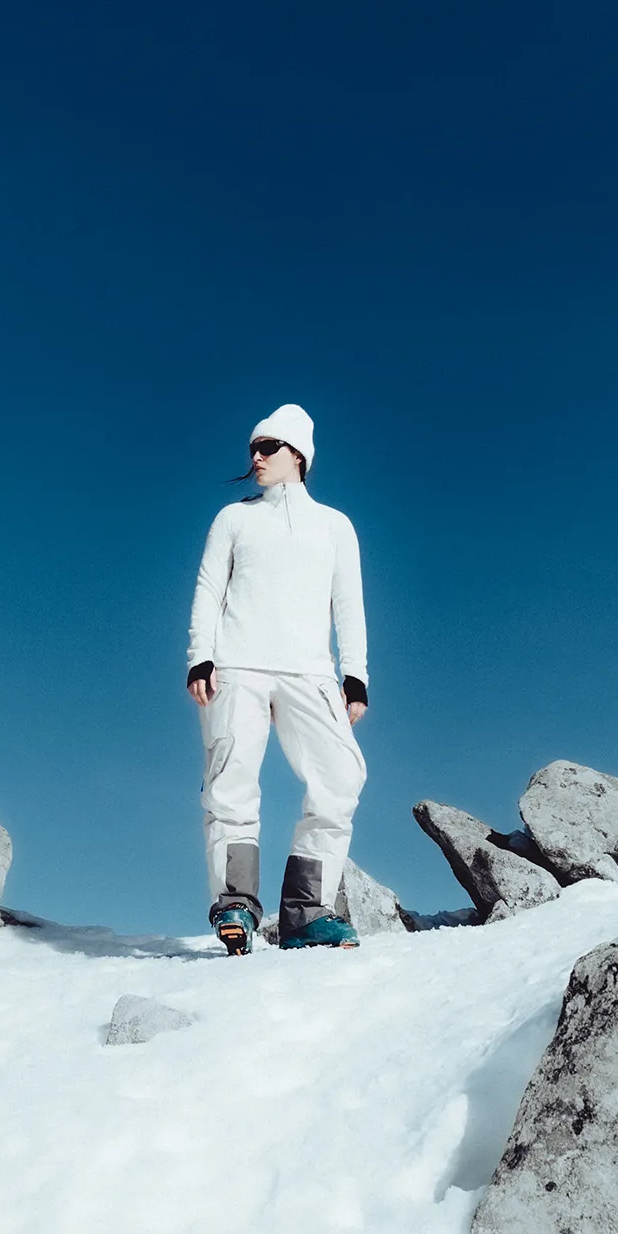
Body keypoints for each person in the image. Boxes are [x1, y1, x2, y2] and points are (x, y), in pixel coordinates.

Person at [186, 404, 369, 953]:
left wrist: (355, 674)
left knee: (341, 779)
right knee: (231, 785)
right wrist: (201, 657)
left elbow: (349, 605)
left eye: (268, 447)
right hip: (236, 667)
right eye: (253, 449)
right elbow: (207, 590)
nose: (256, 456)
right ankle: (235, 905)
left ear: (298, 455)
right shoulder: (233, 518)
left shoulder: (334, 525)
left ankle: (307, 912)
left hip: (309, 671)